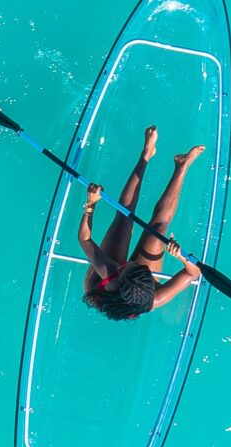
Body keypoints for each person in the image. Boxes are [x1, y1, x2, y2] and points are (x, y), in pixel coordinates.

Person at [78, 125, 204, 320]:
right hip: (132, 285)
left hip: (102, 283)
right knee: (159, 230)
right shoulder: (156, 298)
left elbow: (85, 240)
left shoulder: (110, 274)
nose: (129, 262)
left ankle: (146, 153)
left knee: (123, 218)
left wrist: (91, 204)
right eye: (136, 265)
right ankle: (183, 165)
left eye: (127, 266)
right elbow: (193, 274)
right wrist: (180, 257)